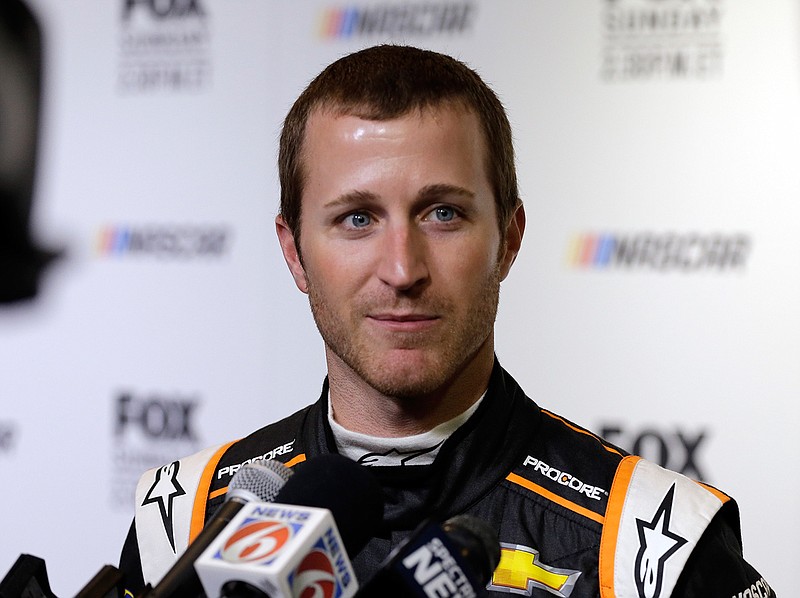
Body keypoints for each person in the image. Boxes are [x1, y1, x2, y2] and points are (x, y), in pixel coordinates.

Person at [119, 45, 775, 597]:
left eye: (443, 214)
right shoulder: (184, 518)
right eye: (357, 218)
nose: (402, 270)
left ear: (509, 240)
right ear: (294, 251)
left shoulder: (656, 542)